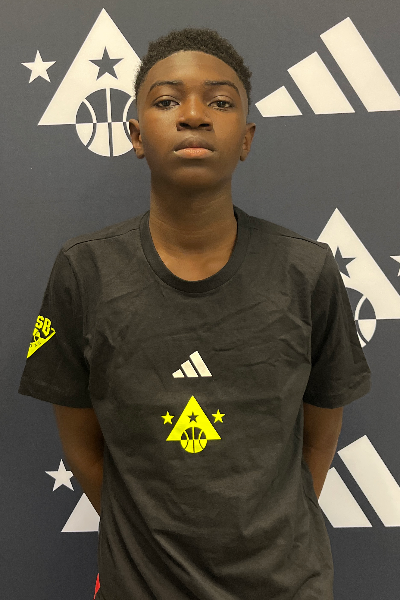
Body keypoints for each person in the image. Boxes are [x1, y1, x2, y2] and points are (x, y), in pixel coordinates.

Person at [18, 27, 371, 600]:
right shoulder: (85, 272)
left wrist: (266, 535)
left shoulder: (306, 271)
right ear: (136, 134)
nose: (193, 115)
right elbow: (82, 446)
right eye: (166, 101)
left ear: (246, 138)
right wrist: (149, 547)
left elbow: (318, 439)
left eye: (221, 102)